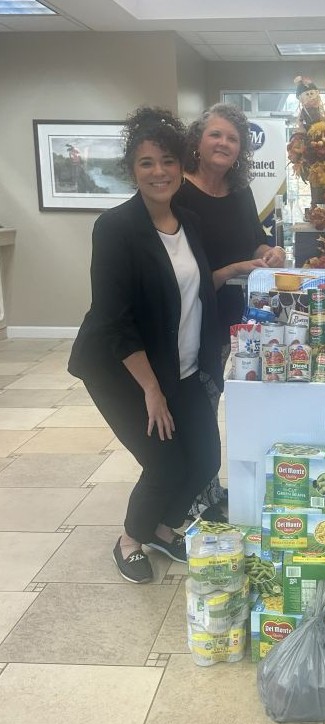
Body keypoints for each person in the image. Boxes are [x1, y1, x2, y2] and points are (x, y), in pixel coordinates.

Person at [68, 107, 223, 584]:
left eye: (168, 161)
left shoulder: (189, 221)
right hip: (122, 369)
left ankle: (161, 528)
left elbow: (193, 289)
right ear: (132, 170)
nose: (159, 172)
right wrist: (152, 391)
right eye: (146, 163)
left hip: (180, 364)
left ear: (181, 165)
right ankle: (130, 539)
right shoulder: (115, 228)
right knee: (164, 462)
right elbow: (115, 319)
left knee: (205, 459)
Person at [174, 103, 285, 512]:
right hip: (190, 322)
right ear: (197, 141)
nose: (224, 143)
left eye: (233, 138)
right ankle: (190, 497)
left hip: (234, 321)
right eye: (216, 134)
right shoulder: (177, 193)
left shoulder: (240, 192)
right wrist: (234, 269)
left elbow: (254, 240)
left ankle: (206, 489)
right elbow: (178, 273)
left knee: (214, 402)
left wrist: (269, 252)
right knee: (194, 411)